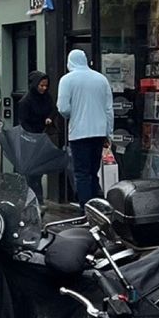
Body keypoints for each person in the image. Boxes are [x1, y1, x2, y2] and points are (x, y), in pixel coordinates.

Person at [56, 50, 114, 207]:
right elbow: (109, 109)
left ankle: (85, 208)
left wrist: (74, 112)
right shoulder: (101, 79)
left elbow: (63, 108)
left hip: (79, 132)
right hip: (99, 131)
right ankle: (97, 205)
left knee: (81, 173)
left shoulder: (67, 80)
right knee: (93, 171)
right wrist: (109, 132)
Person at [17, 70, 57, 202]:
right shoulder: (26, 102)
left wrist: (50, 118)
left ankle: (36, 200)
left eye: (46, 86)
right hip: (30, 140)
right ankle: (33, 199)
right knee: (31, 173)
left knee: (37, 173)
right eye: (41, 86)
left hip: (43, 138)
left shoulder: (47, 98)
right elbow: (23, 122)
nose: (44, 88)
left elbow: (53, 109)